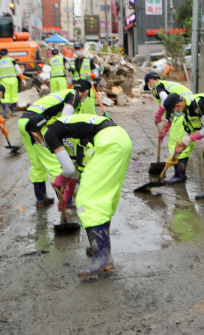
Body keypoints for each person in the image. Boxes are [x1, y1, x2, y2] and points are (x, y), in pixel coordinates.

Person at [31, 114, 132, 277]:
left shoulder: (50, 133)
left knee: (88, 199)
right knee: (102, 198)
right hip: (120, 139)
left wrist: (59, 180)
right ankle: (100, 247)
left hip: (109, 144)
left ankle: (103, 257)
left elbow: (68, 171)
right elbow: (77, 170)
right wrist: (67, 194)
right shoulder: (67, 132)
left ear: (35, 134)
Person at [18, 80, 90, 208]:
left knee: (37, 164)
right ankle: (66, 201)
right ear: (86, 92)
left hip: (24, 122)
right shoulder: (74, 95)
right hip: (37, 126)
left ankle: (41, 198)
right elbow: (64, 119)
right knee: (55, 164)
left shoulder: (61, 94)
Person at [145, 72, 194, 184]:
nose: (150, 86)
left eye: (148, 83)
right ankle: (180, 174)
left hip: (183, 111)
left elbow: (166, 100)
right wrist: (164, 131)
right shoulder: (169, 85)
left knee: (177, 143)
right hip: (187, 110)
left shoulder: (158, 86)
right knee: (180, 142)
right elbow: (171, 113)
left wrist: (158, 115)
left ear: (150, 81)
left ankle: (179, 176)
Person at [69, 42, 99, 115]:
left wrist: (91, 74)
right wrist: (69, 89)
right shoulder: (72, 62)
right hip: (76, 89)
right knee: (76, 112)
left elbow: (96, 75)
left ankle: (92, 125)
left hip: (87, 90)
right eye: (76, 49)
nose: (77, 50)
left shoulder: (89, 61)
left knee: (89, 112)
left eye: (78, 48)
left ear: (83, 49)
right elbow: (70, 77)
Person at [0, 49, 26, 118]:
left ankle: (5, 113)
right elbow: (19, 71)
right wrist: (23, 80)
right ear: (7, 54)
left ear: (0, 55)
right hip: (13, 80)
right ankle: (13, 112)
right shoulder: (12, 60)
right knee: (13, 96)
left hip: (3, 81)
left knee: (5, 96)